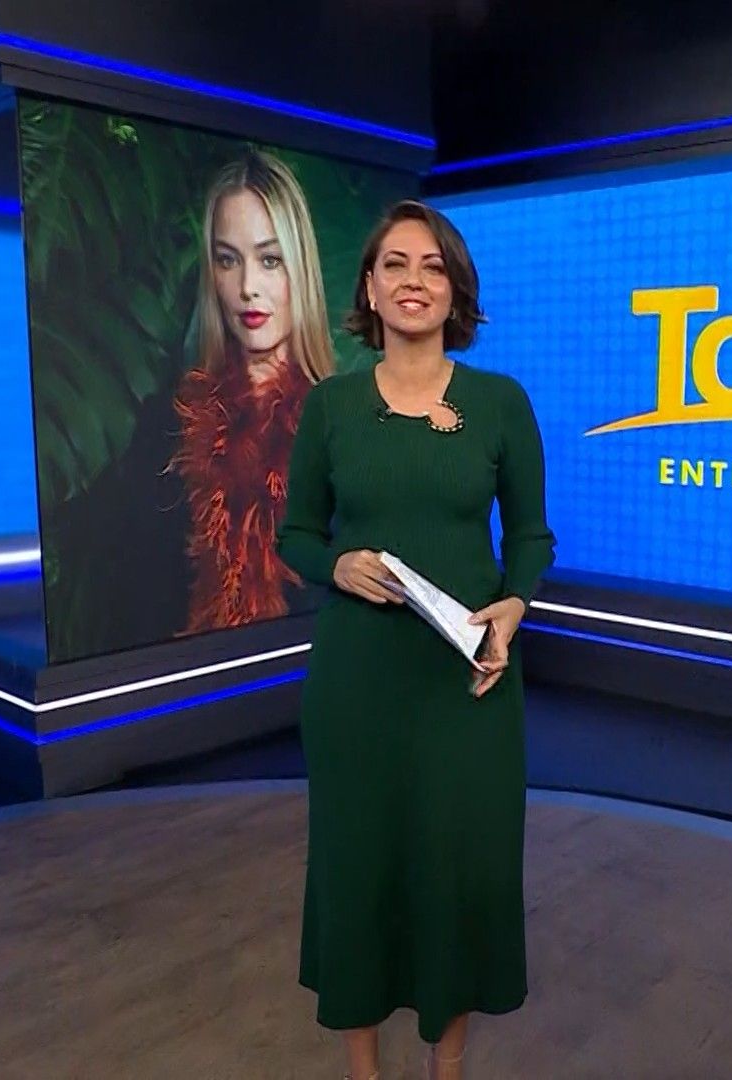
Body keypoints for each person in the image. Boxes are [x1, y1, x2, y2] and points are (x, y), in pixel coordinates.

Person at [275, 199, 556, 1080]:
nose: (413, 281)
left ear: (455, 290)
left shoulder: (500, 404)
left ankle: (449, 1064)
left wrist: (513, 607)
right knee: (360, 867)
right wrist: (337, 564)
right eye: (395, 264)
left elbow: (532, 538)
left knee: (458, 869)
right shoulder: (330, 407)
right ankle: (364, 1070)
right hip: (358, 685)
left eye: (433, 267)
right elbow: (296, 535)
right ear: (369, 286)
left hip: (466, 682)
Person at [166, 149, 337, 636]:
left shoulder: (345, 426)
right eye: (228, 260)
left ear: (299, 269)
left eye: (269, 260)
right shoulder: (174, 426)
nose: (247, 287)